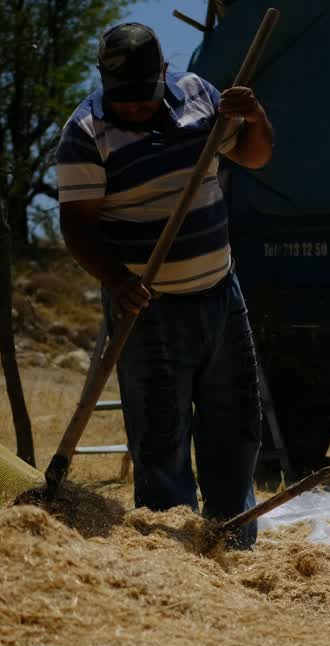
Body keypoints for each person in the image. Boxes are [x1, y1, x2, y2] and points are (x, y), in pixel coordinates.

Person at [55, 23, 275, 549]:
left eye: (143, 95)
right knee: (161, 433)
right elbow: (77, 226)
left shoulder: (202, 96)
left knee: (235, 418)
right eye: (122, 98)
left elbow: (254, 156)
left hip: (222, 292)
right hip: (147, 307)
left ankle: (232, 540)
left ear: (163, 74)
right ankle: (169, 549)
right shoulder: (85, 134)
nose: (132, 107)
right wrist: (115, 278)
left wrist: (253, 116)